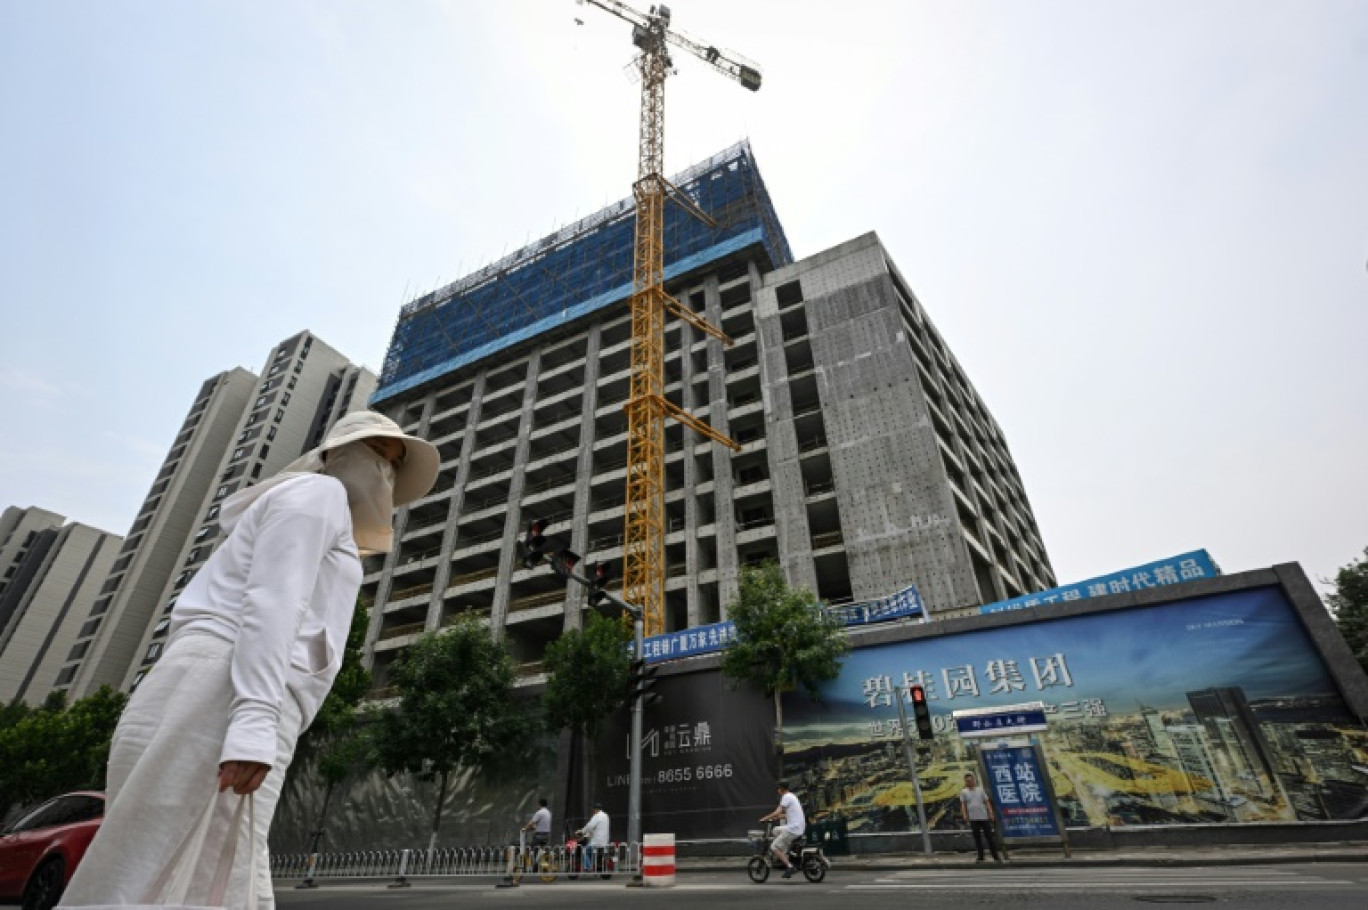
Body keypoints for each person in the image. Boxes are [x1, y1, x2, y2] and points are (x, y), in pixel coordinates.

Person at [61, 410, 439, 910]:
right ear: (335, 454)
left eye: (393, 465)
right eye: (377, 455)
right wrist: (255, 718)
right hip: (229, 688)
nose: (384, 473)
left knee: (199, 866)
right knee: (175, 870)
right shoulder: (317, 494)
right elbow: (275, 600)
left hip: (212, 686)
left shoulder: (312, 505)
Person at [759, 780, 805, 879]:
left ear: (782, 789)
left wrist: (765, 818)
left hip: (793, 829)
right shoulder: (792, 796)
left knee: (773, 847)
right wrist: (778, 817)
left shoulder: (786, 797)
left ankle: (789, 866)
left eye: (778, 788)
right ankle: (784, 851)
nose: (777, 790)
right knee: (775, 830)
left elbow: (777, 812)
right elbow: (788, 814)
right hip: (798, 827)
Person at [959, 772, 1003, 863]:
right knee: (977, 838)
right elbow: (963, 804)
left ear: (974, 780)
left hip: (984, 816)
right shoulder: (964, 792)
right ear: (965, 782)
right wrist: (964, 814)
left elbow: (987, 802)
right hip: (973, 818)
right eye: (967, 781)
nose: (970, 782)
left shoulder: (980, 790)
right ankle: (980, 857)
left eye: (971, 780)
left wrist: (991, 813)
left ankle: (995, 856)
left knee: (989, 837)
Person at [576, 802, 610, 872]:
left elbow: (590, 826)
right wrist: (589, 833)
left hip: (596, 842)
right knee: (590, 851)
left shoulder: (596, 816)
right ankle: (594, 864)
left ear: (595, 810)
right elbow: (597, 828)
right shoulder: (605, 816)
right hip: (604, 842)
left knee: (584, 850)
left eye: (593, 810)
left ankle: (588, 867)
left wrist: (581, 831)